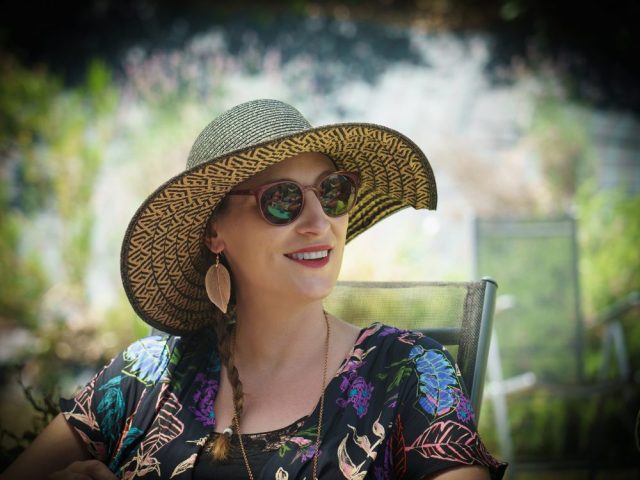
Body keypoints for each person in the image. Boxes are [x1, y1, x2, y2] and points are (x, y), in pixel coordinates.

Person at [2, 99, 507, 479]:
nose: (320, 222)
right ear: (215, 233)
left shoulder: (408, 372)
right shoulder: (146, 374)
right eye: (282, 200)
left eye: (332, 192)